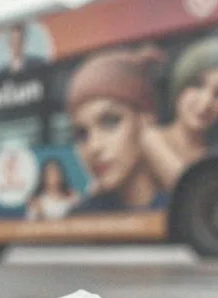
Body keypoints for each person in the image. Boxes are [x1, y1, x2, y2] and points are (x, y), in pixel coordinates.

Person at [139, 37, 218, 191]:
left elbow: (198, 191)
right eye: (197, 85)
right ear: (180, 85)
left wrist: (152, 143)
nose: (206, 103)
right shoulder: (146, 140)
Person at [65, 45, 169, 214]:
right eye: (81, 134)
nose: (94, 147)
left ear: (146, 120)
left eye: (110, 122)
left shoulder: (181, 209)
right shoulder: (80, 217)